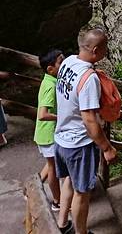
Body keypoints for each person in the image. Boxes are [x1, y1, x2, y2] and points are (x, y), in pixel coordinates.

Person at [54, 29, 118, 234]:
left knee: (69, 180)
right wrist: (106, 148)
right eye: (105, 48)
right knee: (82, 192)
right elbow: (89, 119)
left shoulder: (67, 62)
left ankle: (62, 224)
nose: (107, 51)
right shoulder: (89, 78)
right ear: (96, 50)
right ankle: (81, 232)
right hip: (79, 144)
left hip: (61, 138)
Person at [34, 49, 64, 210]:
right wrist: (63, 117)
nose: (64, 64)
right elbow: (42, 114)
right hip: (48, 134)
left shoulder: (50, 80)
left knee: (51, 163)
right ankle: (57, 201)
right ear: (50, 69)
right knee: (53, 167)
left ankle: (32, 189)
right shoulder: (50, 86)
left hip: (46, 133)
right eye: (61, 62)